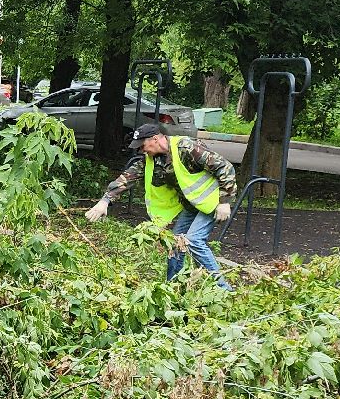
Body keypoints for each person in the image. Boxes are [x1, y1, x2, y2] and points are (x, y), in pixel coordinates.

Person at [84, 122, 238, 289]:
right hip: (192, 205)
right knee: (175, 242)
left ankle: (224, 289)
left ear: (155, 139)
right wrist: (104, 201)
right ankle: (172, 288)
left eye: (143, 146)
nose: (142, 150)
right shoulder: (151, 159)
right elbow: (127, 177)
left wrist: (225, 202)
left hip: (213, 201)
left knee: (193, 241)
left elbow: (225, 167)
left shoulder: (186, 147)